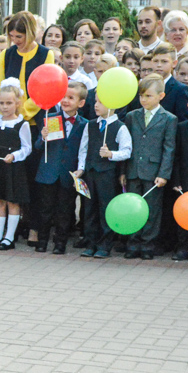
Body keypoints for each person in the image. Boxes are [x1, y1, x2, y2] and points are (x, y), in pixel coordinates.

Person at [123, 74, 177, 260]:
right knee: (133, 207)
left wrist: (164, 174)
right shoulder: (132, 116)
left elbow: (169, 148)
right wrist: (123, 171)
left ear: (161, 96)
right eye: (141, 96)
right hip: (133, 169)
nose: (143, 100)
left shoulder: (168, 119)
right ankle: (133, 242)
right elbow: (126, 145)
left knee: (152, 210)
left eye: (148, 96)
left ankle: (148, 244)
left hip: (153, 172)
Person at [76, 92, 132, 258]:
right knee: (89, 208)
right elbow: (83, 149)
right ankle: (91, 242)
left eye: (101, 102)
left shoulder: (120, 127)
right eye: (95, 101)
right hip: (91, 172)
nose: (96, 105)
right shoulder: (91, 125)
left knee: (105, 208)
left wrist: (111, 154)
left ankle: (105, 244)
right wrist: (81, 168)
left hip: (107, 174)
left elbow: (127, 151)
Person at [33, 81, 87, 254]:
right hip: (49, 172)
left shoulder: (85, 124)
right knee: (45, 209)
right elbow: (38, 147)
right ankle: (42, 241)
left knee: (65, 210)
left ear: (81, 103)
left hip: (68, 173)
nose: (65, 101)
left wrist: (80, 170)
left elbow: (83, 149)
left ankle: (60, 243)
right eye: (63, 97)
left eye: (71, 98)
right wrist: (43, 137)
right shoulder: (52, 118)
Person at [0, 81, 31, 250]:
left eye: (9, 103)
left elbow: (27, 148)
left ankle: (9, 237)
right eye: (1, 103)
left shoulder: (21, 124)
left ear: (17, 103)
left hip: (13, 169)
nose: (5, 106)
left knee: (12, 202)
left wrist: (15, 155)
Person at [172, 88, 188, 262]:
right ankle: (183, 247)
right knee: (185, 211)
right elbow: (176, 156)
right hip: (186, 178)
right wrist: (177, 180)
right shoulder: (182, 128)